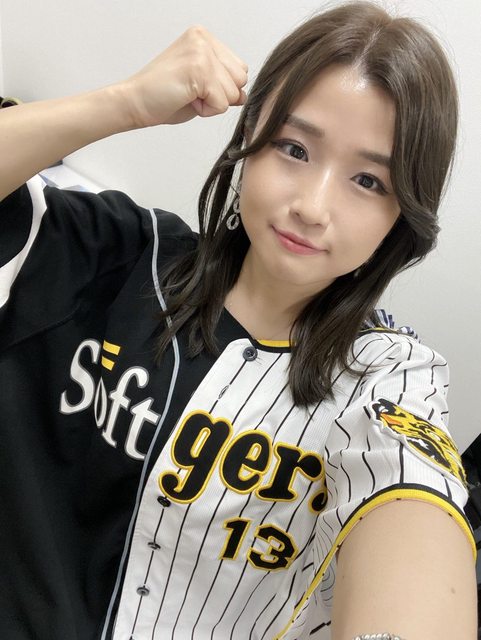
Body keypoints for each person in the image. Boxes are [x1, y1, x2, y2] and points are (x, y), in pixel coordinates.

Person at [0, 1, 477, 639]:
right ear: (249, 141)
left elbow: (412, 501)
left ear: (402, 213)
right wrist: (127, 102)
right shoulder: (117, 253)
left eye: (368, 181)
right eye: (294, 148)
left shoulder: (388, 377)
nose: (312, 206)